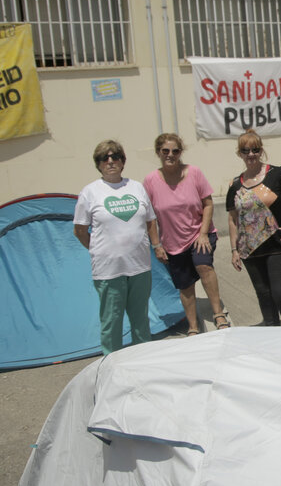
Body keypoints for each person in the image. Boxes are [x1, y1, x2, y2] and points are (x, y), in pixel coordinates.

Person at [74, 139, 164, 355]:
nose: (110, 161)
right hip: (108, 269)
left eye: (115, 156)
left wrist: (156, 244)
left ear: (123, 161)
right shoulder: (90, 192)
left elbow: (150, 220)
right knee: (111, 322)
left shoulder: (136, 188)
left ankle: (142, 361)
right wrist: (99, 249)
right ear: (98, 164)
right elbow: (79, 230)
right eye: (105, 158)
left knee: (140, 320)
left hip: (139, 267)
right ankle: (110, 365)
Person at [143, 133, 230, 334]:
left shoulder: (194, 173)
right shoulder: (150, 181)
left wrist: (202, 233)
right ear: (158, 152)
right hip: (172, 242)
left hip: (199, 234)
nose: (170, 155)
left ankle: (218, 313)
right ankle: (193, 326)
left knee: (203, 264)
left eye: (175, 151)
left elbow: (207, 204)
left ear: (181, 152)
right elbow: (150, 217)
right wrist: (156, 245)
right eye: (165, 151)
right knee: (185, 285)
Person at [226, 129, 281, 326]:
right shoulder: (234, 185)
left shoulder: (277, 174)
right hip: (250, 249)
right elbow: (233, 219)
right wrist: (234, 250)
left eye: (255, 150)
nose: (251, 155)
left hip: (279, 245)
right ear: (239, 153)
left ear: (261, 151)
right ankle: (272, 337)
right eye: (245, 150)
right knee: (264, 295)